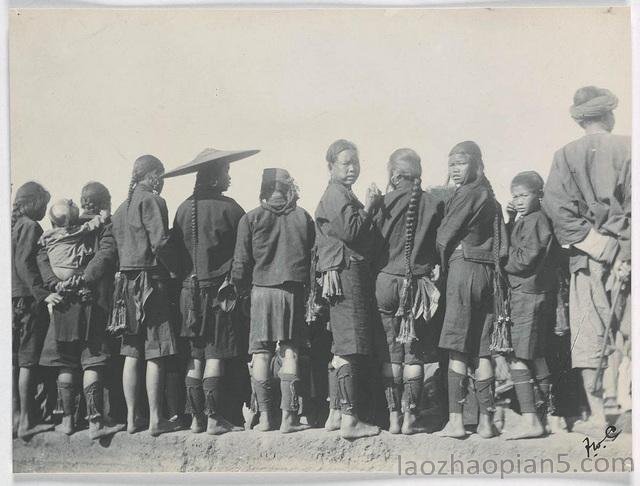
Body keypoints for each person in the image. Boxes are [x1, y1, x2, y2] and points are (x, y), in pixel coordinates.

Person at [542, 86, 631, 434]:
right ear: (609, 115)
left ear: (581, 120)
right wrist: (622, 249)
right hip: (627, 256)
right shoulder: (629, 147)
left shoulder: (563, 156)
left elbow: (557, 208)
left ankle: (597, 418)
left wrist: (596, 244)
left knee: (590, 334)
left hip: (584, 258)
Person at [166, 148, 258, 435]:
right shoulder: (231, 209)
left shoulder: (182, 209)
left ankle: (196, 420)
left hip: (187, 294)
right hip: (218, 295)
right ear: (216, 177)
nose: (229, 177)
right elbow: (246, 254)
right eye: (226, 172)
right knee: (216, 355)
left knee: (196, 357)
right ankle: (215, 419)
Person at [232, 168, 316, 433]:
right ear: (288, 187)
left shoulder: (251, 218)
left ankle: (266, 418)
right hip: (292, 292)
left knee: (260, 353)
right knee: (289, 350)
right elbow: (313, 261)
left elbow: (240, 265)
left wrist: (243, 293)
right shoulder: (303, 217)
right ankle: (289, 419)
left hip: (260, 292)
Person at [435, 141, 507, 439]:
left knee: (457, 347)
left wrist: (440, 265)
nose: (454, 168)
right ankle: (487, 423)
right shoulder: (490, 197)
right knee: (482, 351)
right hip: (488, 276)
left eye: (461, 163)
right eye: (451, 163)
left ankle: (455, 422)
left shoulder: (467, 194)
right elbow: (502, 247)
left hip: (464, 270)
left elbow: (443, 236)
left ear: (476, 165)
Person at [38, 190, 125, 439]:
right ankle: (96, 423)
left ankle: (66, 421)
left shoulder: (55, 234)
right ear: (104, 204)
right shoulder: (100, 227)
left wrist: (56, 284)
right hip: (90, 302)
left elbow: (43, 261)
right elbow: (106, 256)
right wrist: (83, 279)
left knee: (66, 360)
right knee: (92, 359)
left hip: (63, 304)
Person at [372, 148, 443, 435]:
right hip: (417, 285)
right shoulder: (433, 203)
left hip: (386, 282)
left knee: (391, 352)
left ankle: (392, 418)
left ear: (393, 174)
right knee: (414, 354)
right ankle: (411, 417)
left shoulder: (383, 202)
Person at [315, 139, 382, 439]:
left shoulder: (339, 193)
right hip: (346, 272)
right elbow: (352, 231)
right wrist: (369, 207)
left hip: (339, 273)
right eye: (346, 163)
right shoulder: (336, 194)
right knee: (351, 345)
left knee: (341, 344)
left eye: (355, 162)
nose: (353, 168)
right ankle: (351, 421)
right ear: (331, 166)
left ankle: (335, 414)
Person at [110, 154, 181, 436]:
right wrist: (176, 271)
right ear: (152, 176)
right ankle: (155, 419)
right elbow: (161, 242)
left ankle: (131, 419)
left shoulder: (120, 208)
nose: (161, 182)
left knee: (131, 352)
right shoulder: (152, 200)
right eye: (159, 176)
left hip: (125, 286)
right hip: (151, 282)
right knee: (156, 351)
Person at [502, 171, 556, 439]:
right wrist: (511, 219)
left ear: (539, 195)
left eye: (524, 195)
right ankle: (543, 415)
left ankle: (530, 420)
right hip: (536, 292)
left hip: (525, 293)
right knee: (535, 353)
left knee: (518, 354)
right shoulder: (534, 218)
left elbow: (524, 258)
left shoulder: (535, 221)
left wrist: (500, 258)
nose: (519, 200)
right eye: (515, 196)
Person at [12, 182, 58, 440]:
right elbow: (25, 263)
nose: (44, 209)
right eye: (42, 203)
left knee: (14, 362)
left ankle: (17, 417)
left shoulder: (13, 227)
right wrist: (43, 293)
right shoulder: (31, 226)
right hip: (28, 302)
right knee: (28, 362)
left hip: (11, 300)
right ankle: (27, 422)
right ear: (32, 203)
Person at [38, 199, 109, 282]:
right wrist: (103, 216)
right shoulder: (74, 231)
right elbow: (90, 225)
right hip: (71, 270)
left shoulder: (47, 235)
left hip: (56, 270)